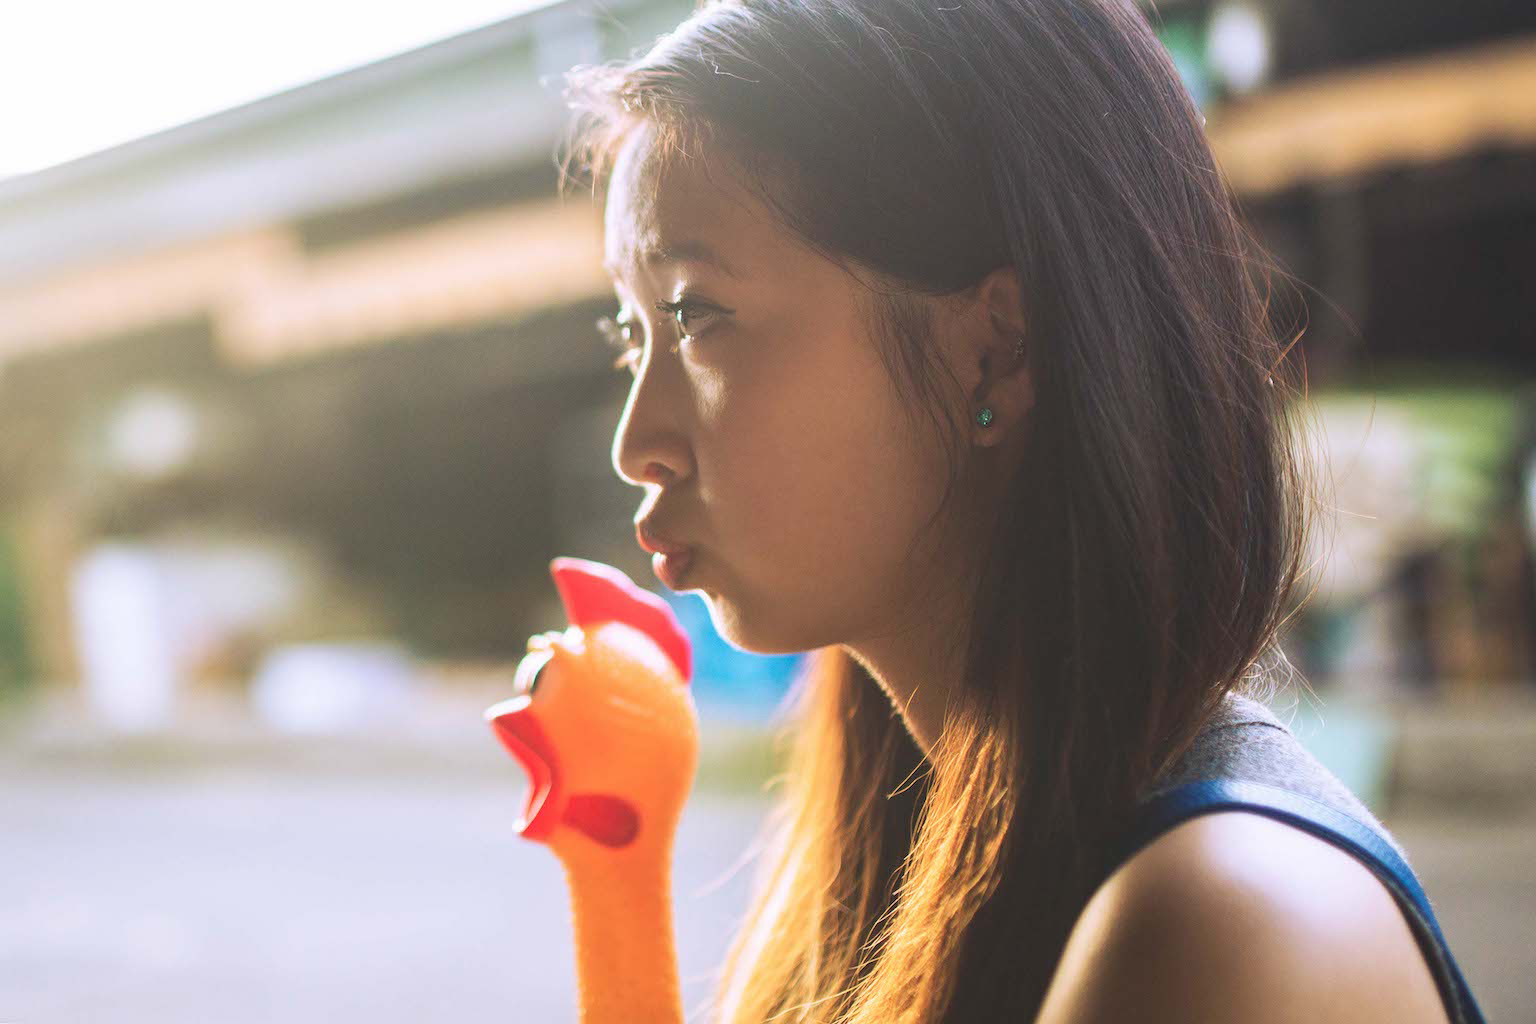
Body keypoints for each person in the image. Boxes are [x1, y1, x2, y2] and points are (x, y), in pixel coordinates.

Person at [557, 1, 1488, 1021]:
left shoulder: (1219, 927)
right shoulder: (902, 845)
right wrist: (614, 874)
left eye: (698, 315)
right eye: (631, 333)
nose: (635, 443)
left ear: (996, 349)